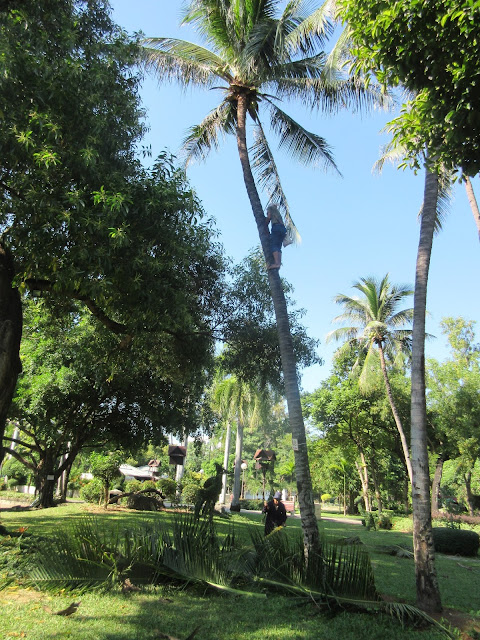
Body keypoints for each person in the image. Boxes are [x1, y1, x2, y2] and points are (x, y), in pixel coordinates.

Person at [265, 204, 287, 269]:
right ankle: (278, 263)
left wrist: (265, 224)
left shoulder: (270, 208)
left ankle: (277, 263)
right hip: (283, 229)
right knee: (278, 247)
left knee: (274, 245)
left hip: (276, 227)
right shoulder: (277, 212)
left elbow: (269, 217)